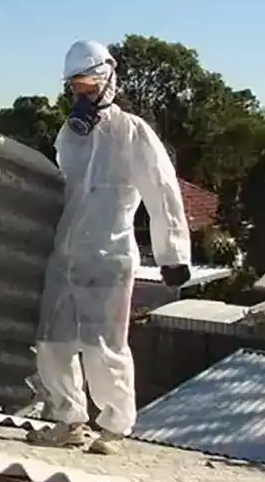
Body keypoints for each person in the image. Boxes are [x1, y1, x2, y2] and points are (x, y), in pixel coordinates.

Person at [26, 40, 191, 455]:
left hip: (110, 255)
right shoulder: (70, 135)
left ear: (108, 79)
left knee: (104, 346)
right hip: (66, 255)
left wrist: (173, 255)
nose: (81, 95)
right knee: (52, 342)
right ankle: (69, 420)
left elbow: (163, 191)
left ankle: (115, 428)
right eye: (75, 88)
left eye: (88, 85)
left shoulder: (133, 132)